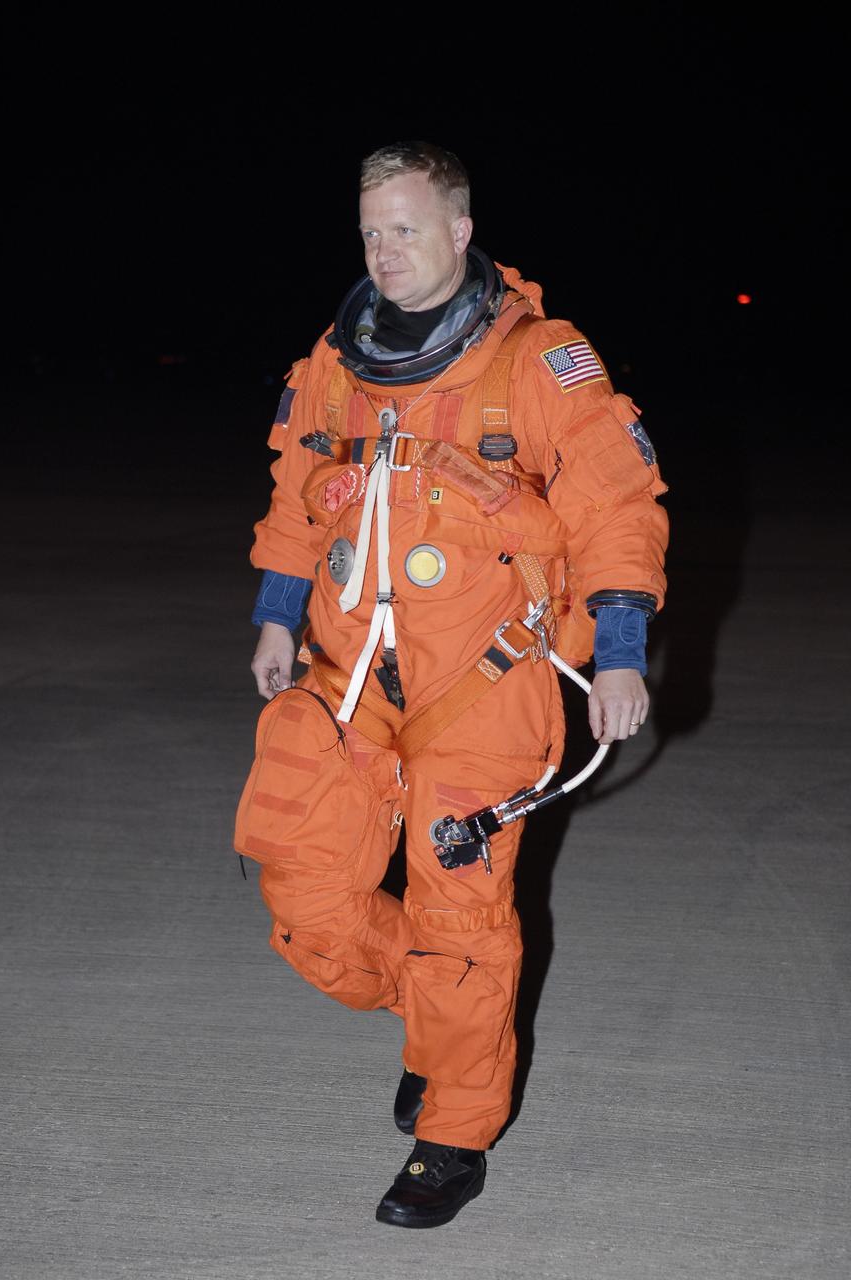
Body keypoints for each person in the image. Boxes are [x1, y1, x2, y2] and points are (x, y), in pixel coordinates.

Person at [234, 141, 668, 1229]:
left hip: (484, 684)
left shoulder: (539, 358)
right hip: (349, 682)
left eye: (406, 228)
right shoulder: (337, 357)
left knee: (460, 911)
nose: (383, 250)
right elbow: (299, 491)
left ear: (460, 231)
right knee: (309, 899)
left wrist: (619, 647)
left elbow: (617, 501)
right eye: (371, 230)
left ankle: (453, 1129)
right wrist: (275, 617)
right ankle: (442, 1010)